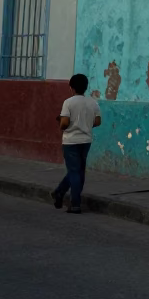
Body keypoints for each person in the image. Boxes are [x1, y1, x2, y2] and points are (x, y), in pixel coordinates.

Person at [53, 74, 101, 214]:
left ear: (71, 87)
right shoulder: (93, 102)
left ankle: (75, 203)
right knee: (79, 171)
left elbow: (64, 123)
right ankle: (59, 192)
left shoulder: (68, 102)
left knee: (74, 171)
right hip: (86, 140)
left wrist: (61, 124)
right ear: (86, 87)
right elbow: (97, 122)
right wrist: (85, 124)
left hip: (71, 141)